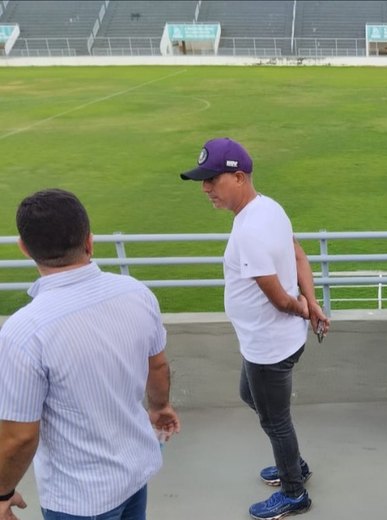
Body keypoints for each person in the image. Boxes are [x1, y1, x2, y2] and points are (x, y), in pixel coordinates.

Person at [0, 189, 180, 520]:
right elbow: (157, 365)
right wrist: (160, 407)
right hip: (135, 472)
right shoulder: (136, 293)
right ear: (89, 241)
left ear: (24, 248)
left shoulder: (24, 332)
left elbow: (20, 437)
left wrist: (2, 493)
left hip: (80, 498)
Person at [180, 137, 329, 519]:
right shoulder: (269, 208)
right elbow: (299, 254)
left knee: (274, 419)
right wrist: (312, 304)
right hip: (269, 341)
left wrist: (304, 308)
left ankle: (294, 491)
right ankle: (293, 462)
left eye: (213, 179)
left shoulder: (250, 230)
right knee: (252, 397)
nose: (205, 188)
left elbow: (280, 299)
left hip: (269, 346)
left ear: (240, 177)